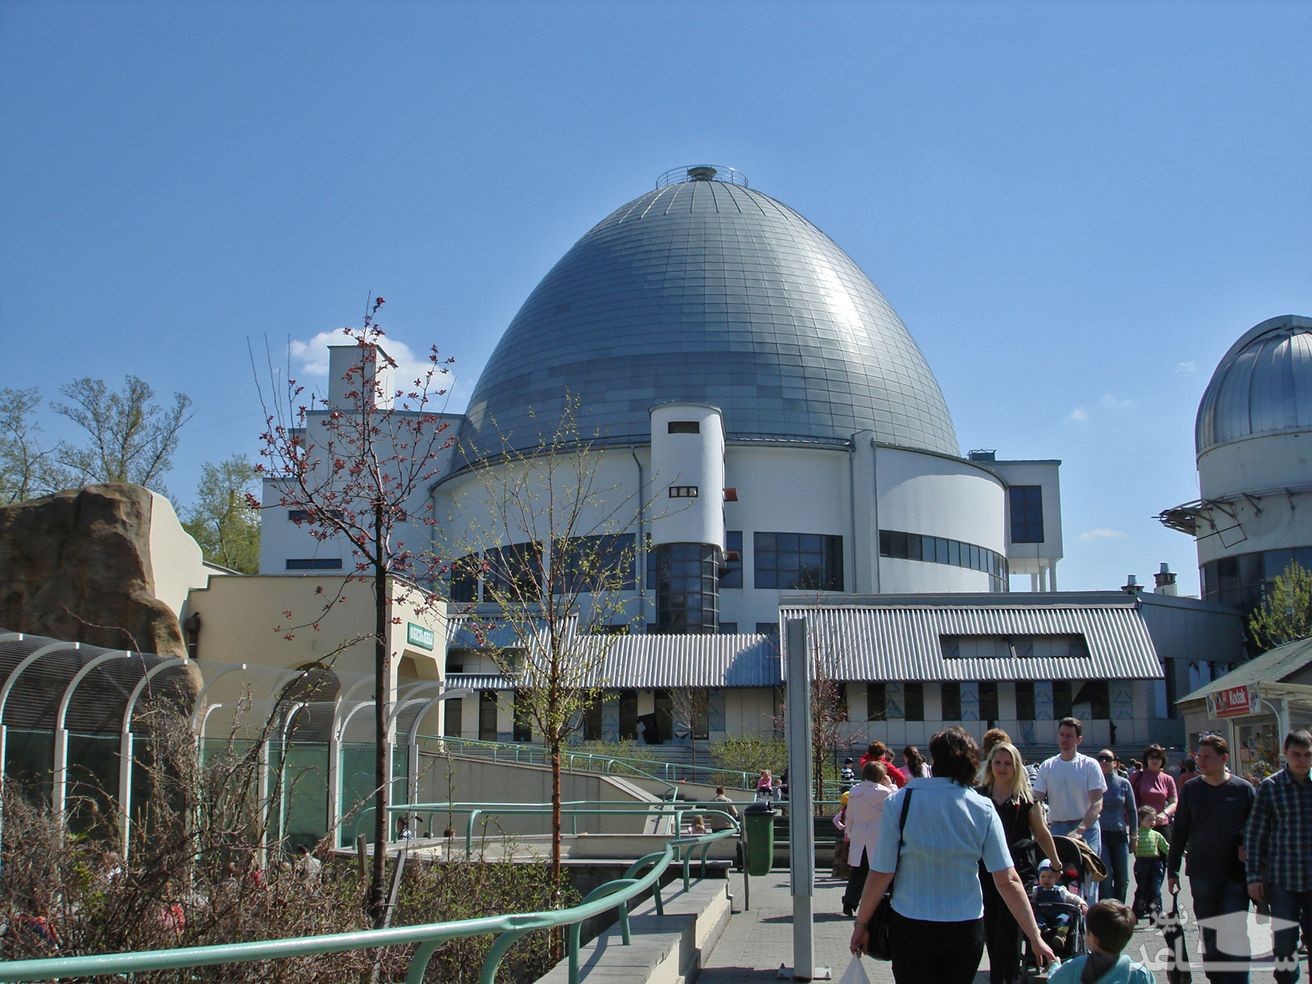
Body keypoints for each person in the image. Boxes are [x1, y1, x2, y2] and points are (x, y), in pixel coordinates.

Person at [849, 727, 1055, 983]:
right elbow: (1008, 880)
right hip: (965, 924)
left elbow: (881, 872)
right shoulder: (982, 807)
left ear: (934, 761)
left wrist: (861, 924)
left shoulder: (900, 802)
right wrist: (1034, 937)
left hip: (911, 921)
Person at [1169, 732, 1255, 984]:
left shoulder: (1242, 789)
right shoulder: (1191, 790)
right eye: (1199, 756)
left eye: (1207, 757)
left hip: (1235, 874)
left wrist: (1247, 844)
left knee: (1235, 931)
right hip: (1202, 872)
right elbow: (1181, 830)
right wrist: (1172, 870)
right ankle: (1217, 978)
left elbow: (1258, 826)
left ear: (1224, 758)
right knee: (1210, 932)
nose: (1201, 762)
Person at [978, 740, 1062, 984]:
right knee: (992, 932)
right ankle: (999, 976)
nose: (1002, 768)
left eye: (1008, 763)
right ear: (990, 765)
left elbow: (1042, 834)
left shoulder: (1026, 800)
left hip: (1019, 873)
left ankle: (1009, 978)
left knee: (1011, 932)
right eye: (997, 763)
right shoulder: (979, 796)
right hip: (987, 873)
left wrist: (1056, 863)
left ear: (1016, 767)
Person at [1245, 729, 1312, 984]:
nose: (1302, 760)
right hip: (1283, 880)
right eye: (1297, 754)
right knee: (1285, 946)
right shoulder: (1270, 787)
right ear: (1286, 753)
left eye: (1308, 755)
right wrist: (1254, 877)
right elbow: (1255, 836)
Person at [1033, 717, 1106, 904]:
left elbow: (1097, 803)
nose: (1065, 739)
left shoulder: (1090, 765)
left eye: (1069, 736)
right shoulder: (1048, 766)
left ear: (1078, 739)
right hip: (1057, 827)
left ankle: (1089, 924)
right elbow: (1035, 799)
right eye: (1062, 735)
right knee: (1056, 876)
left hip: (1086, 829)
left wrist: (1080, 830)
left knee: (1088, 880)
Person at [1045, 900, 1154, 984]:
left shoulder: (1074, 967)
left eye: (1087, 932)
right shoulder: (1140, 974)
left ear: (1094, 940)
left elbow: (1054, 981)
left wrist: (1054, 965)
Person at [841, 759, 896, 917]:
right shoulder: (884, 792)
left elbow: (849, 815)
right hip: (878, 837)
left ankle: (850, 901)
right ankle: (882, 900)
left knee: (858, 872)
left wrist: (849, 833)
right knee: (881, 870)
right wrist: (890, 784)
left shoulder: (854, 790)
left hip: (859, 836)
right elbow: (896, 802)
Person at [1096, 749, 1137, 903]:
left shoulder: (1123, 783)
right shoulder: (1093, 782)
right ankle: (1106, 914)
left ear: (1116, 763)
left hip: (1119, 834)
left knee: (1123, 879)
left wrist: (1134, 835)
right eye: (1101, 759)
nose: (1104, 762)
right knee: (1105, 878)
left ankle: (1119, 910)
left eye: (1108, 758)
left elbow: (1132, 811)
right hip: (1101, 834)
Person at [1129, 744, 1177, 839]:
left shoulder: (1168, 779)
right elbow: (1128, 799)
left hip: (1162, 825)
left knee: (1166, 853)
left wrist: (1165, 813)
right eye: (1151, 757)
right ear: (1146, 759)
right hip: (1142, 827)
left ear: (1162, 760)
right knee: (1144, 854)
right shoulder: (1136, 776)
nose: (1155, 760)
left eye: (1158, 757)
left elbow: (1174, 803)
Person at [1131, 806, 1169, 919]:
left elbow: (1166, 847)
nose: (1152, 822)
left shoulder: (1156, 835)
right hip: (1141, 864)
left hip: (1155, 864)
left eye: (1153, 819)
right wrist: (1134, 840)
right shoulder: (1137, 834)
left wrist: (1180, 852)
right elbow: (1132, 848)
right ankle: (1136, 914)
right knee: (1142, 889)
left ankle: (1156, 915)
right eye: (1149, 819)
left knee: (1155, 890)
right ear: (1141, 820)